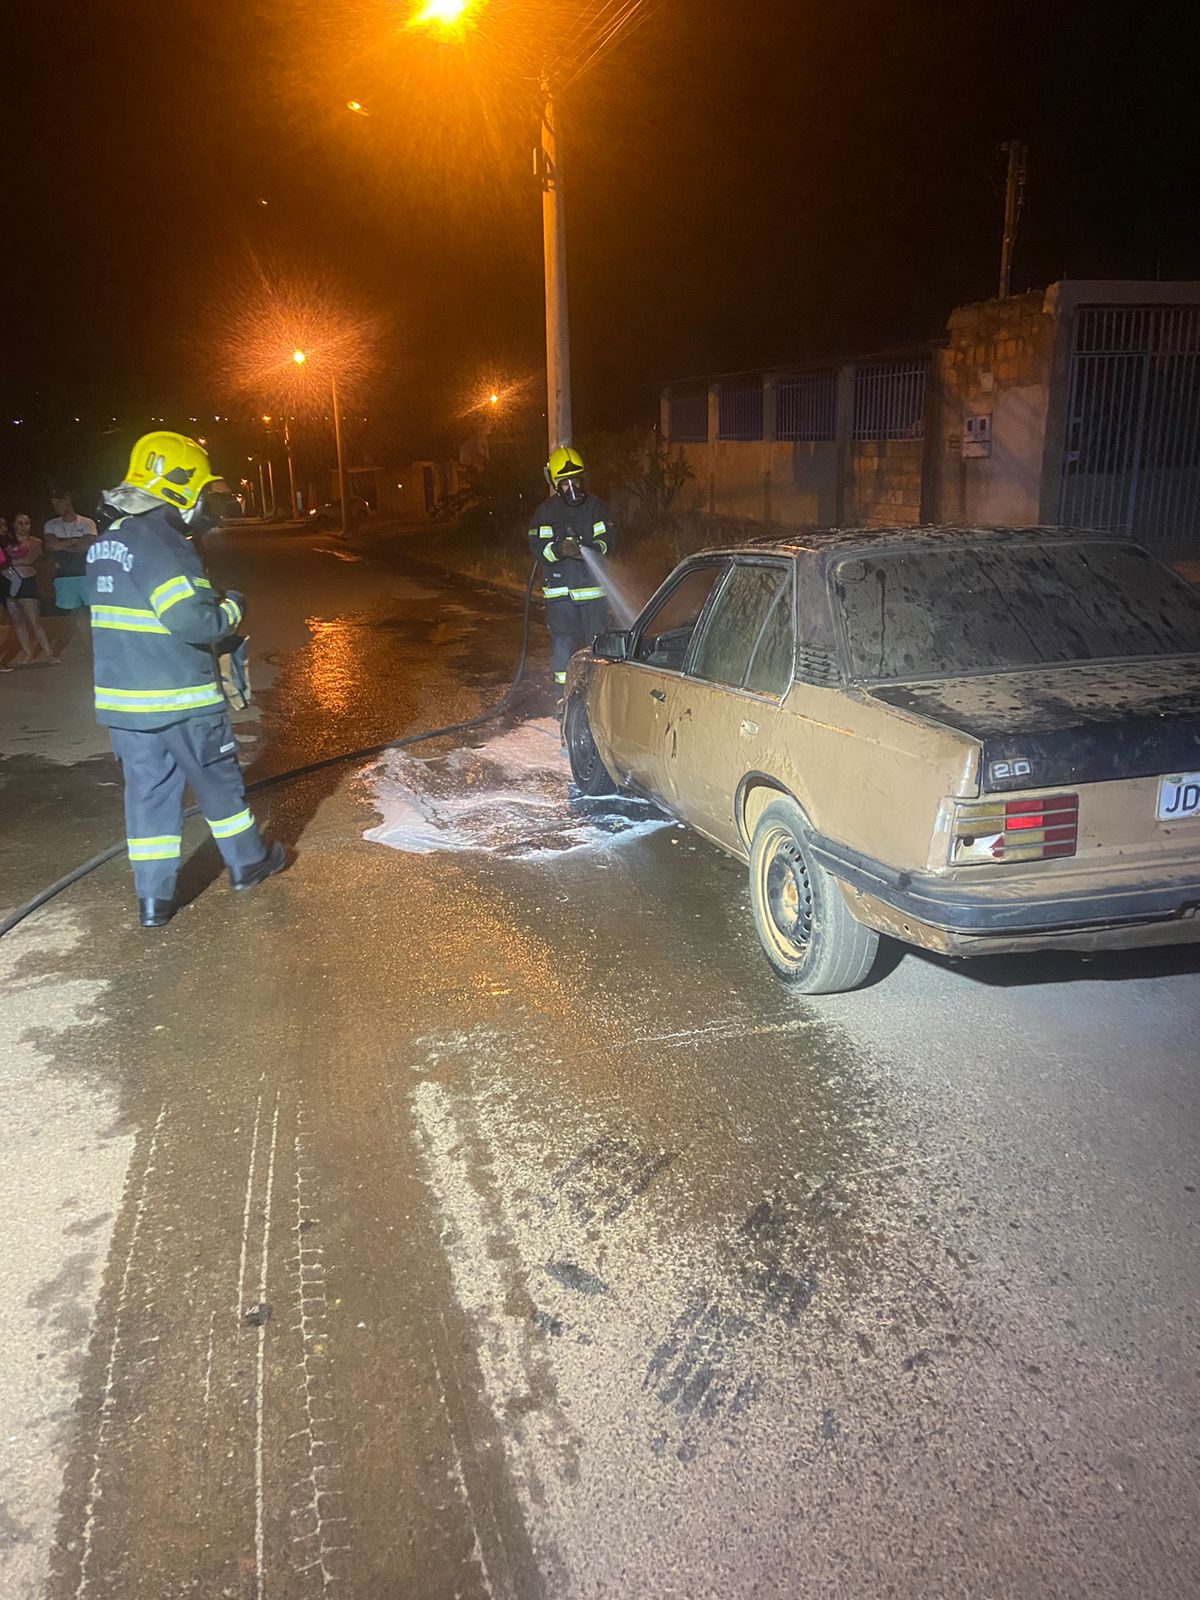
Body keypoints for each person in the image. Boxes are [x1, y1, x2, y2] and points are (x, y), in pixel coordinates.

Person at [90, 431, 287, 928]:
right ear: (180, 490)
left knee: (148, 795)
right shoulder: (164, 544)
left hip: (127, 706)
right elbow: (194, 622)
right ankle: (247, 863)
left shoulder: (107, 544)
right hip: (181, 699)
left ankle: (153, 902)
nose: (206, 506)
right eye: (202, 493)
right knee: (218, 786)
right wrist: (232, 606)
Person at [526, 446, 614, 694]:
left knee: (599, 645)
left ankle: (597, 697)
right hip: (559, 592)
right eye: (565, 483)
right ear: (555, 483)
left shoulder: (595, 507)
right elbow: (538, 548)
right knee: (563, 645)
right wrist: (559, 549)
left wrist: (589, 549)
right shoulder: (546, 512)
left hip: (592, 592)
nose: (572, 488)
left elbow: (607, 541)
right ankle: (562, 699)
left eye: (576, 480)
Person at [2, 512, 59, 665]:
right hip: (9, 582)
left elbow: (28, 559)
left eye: (26, 523)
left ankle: (48, 653)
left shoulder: (35, 542)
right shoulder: (7, 542)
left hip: (27, 581)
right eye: (20, 523)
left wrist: (10, 562)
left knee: (34, 620)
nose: (24, 526)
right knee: (18, 621)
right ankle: (28, 654)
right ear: (14, 524)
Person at [43, 490, 97, 613]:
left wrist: (61, 544)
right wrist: (74, 541)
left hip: (86, 574)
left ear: (67, 500)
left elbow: (85, 546)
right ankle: (81, 633)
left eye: (58, 502)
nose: (56, 506)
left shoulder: (87, 522)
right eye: (53, 503)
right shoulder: (51, 524)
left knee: (93, 611)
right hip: (63, 575)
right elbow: (51, 546)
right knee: (75, 613)